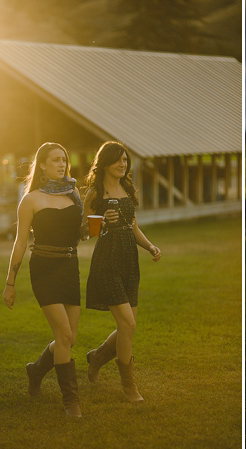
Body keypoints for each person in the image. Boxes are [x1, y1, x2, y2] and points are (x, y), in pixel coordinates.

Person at [2, 142, 84, 418]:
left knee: (70, 338)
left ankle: (36, 370)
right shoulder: (31, 199)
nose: (62, 164)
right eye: (55, 160)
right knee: (63, 334)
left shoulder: (74, 194)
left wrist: (96, 226)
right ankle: (71, 402)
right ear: (44, 166)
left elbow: (79, 232)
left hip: (70, 266)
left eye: (64, 159)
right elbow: (20, 242)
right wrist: (10, 282)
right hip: (44, 269)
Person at [83, 141, 161, 402]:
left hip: (130, 260)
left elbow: (134, 227)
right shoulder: (94, 194)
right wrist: (102, 222)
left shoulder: (127, 188)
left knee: (129, 326)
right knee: (127, 324)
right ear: (104, 162)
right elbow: (88, 232)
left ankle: (96, 358)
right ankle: (129, 387)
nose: (122, 164)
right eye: (118, 160)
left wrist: (150, 246)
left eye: (125, 160)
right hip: (107, 260)